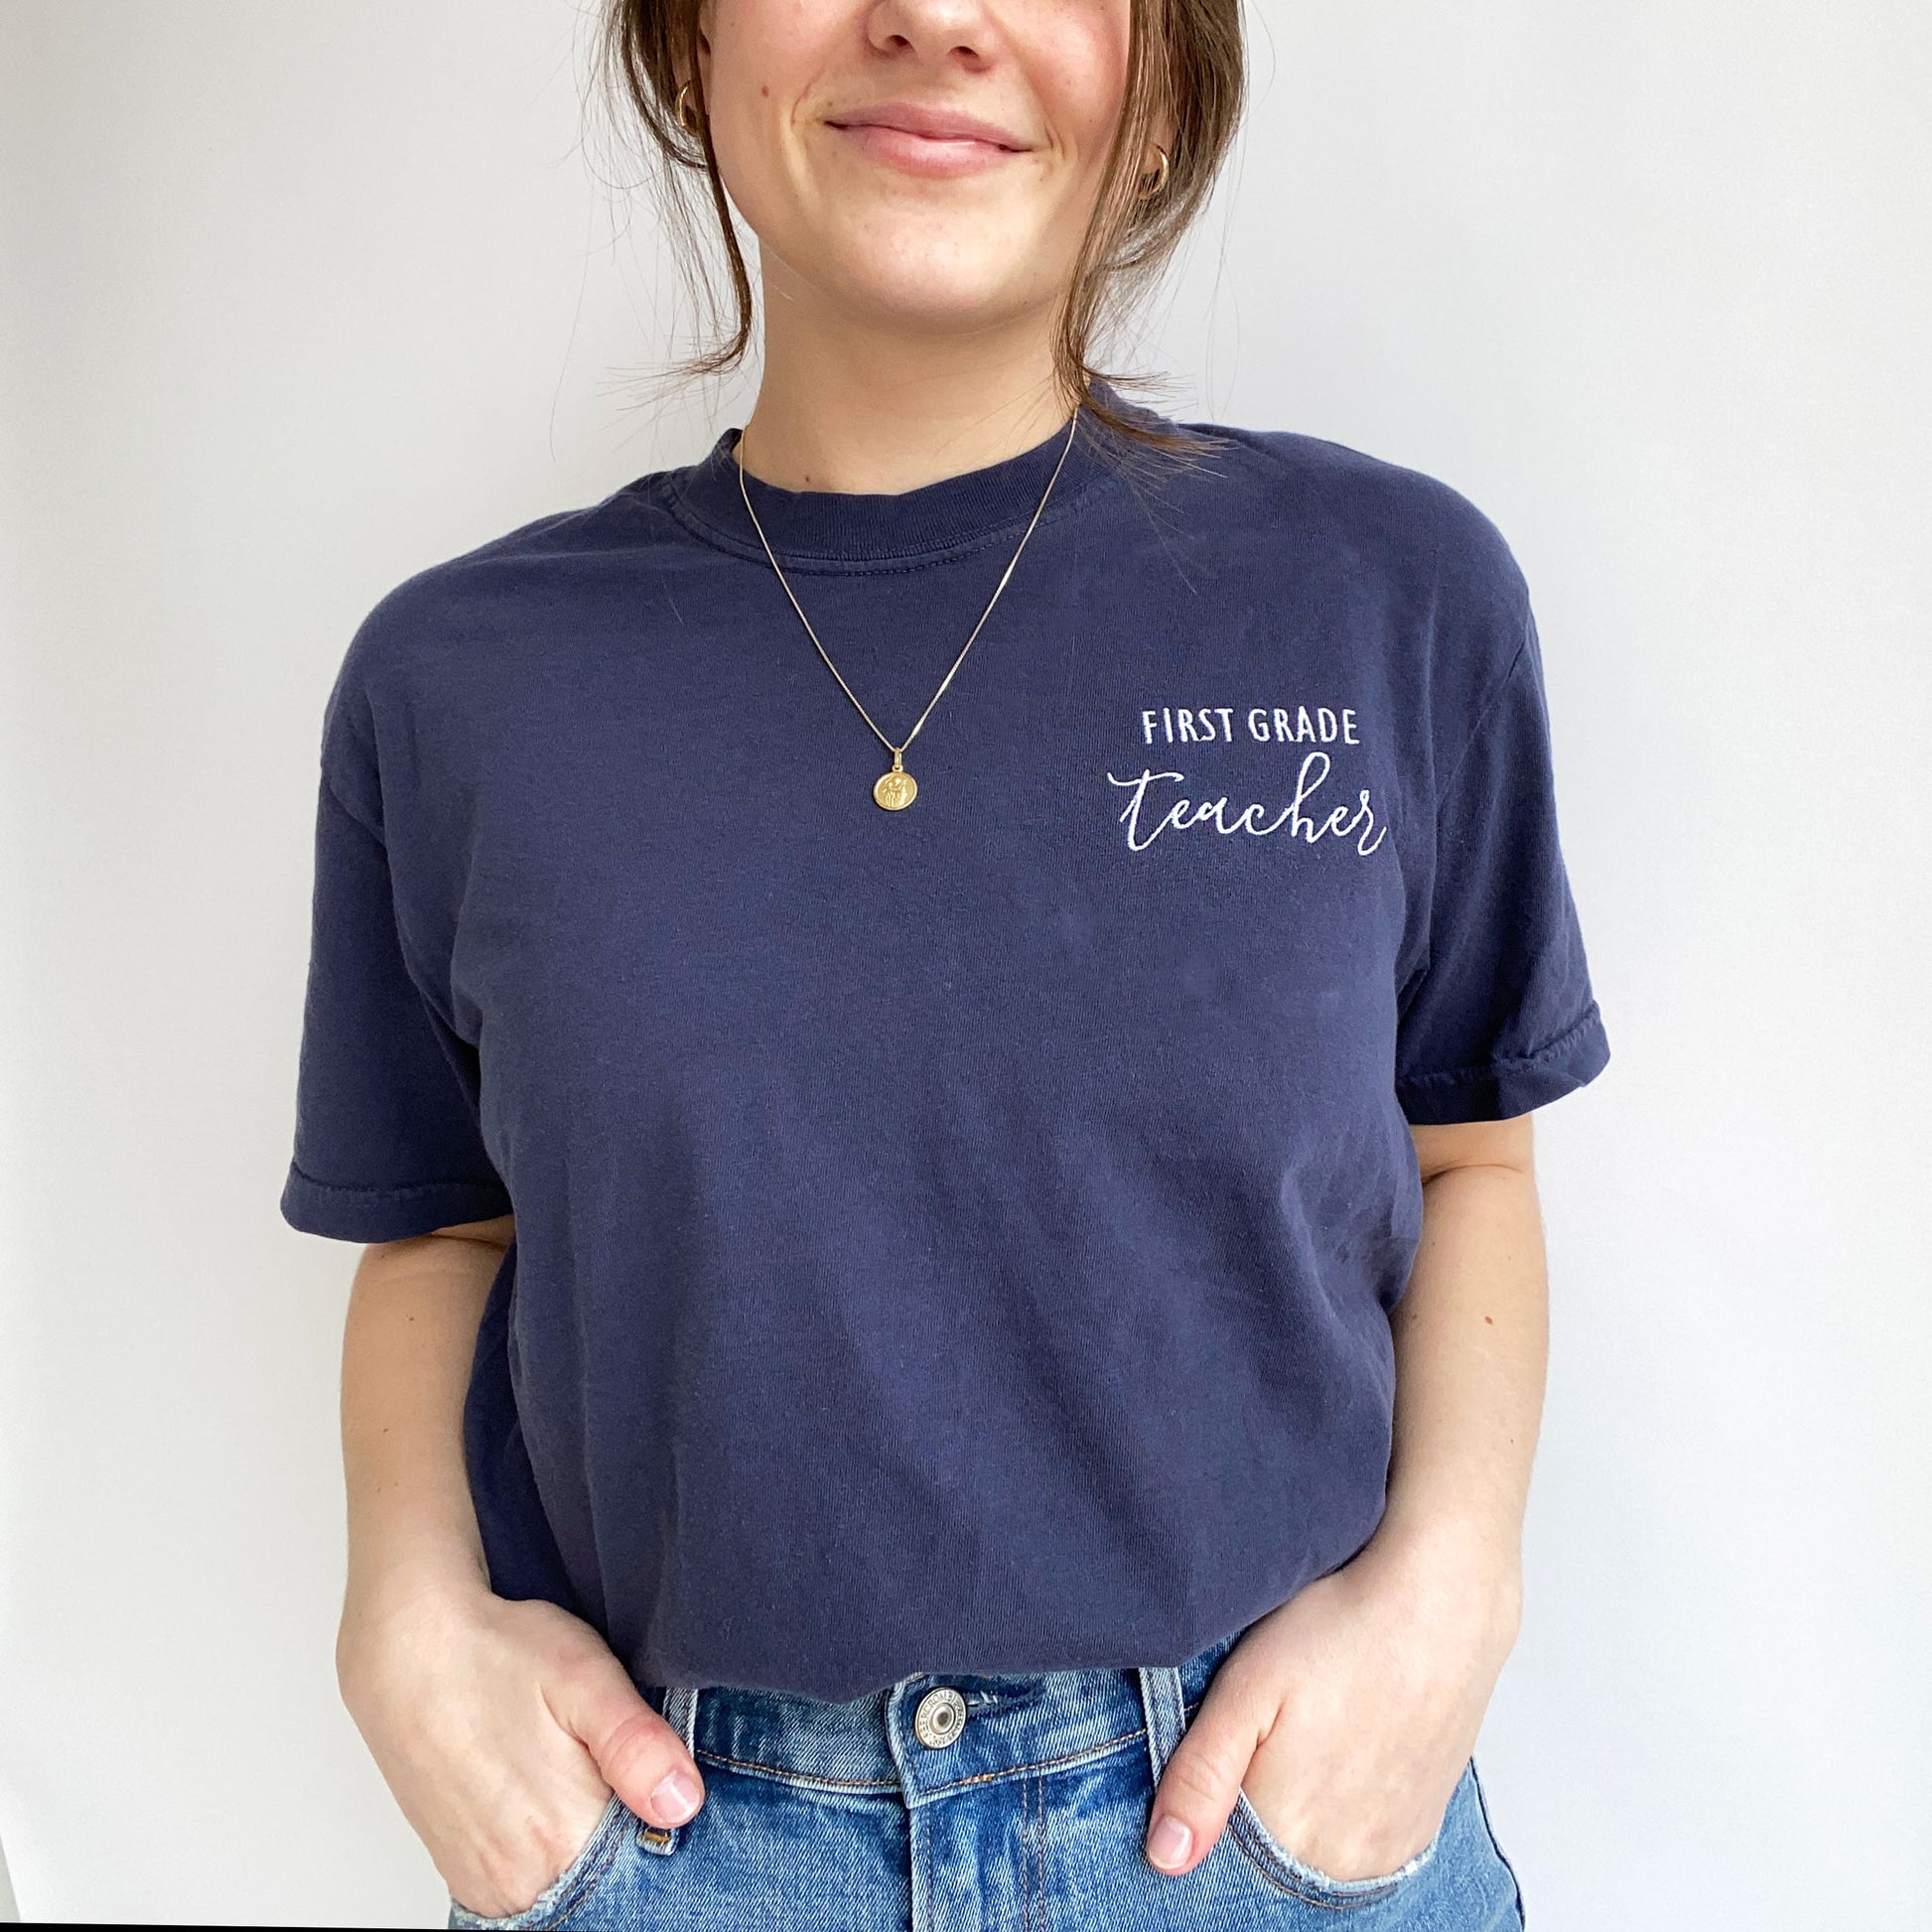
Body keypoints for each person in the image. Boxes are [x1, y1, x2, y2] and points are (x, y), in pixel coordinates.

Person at [279, 0, 1610, 1925]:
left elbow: (1470, 1150)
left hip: (1266, 1833)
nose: (933, 18)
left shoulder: (1384, 597)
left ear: (1165, 89)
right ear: (689, 48)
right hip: (683, 1843)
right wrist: (402, 1617)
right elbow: (437, 1230)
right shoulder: (461, 683)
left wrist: (1453, 1585)